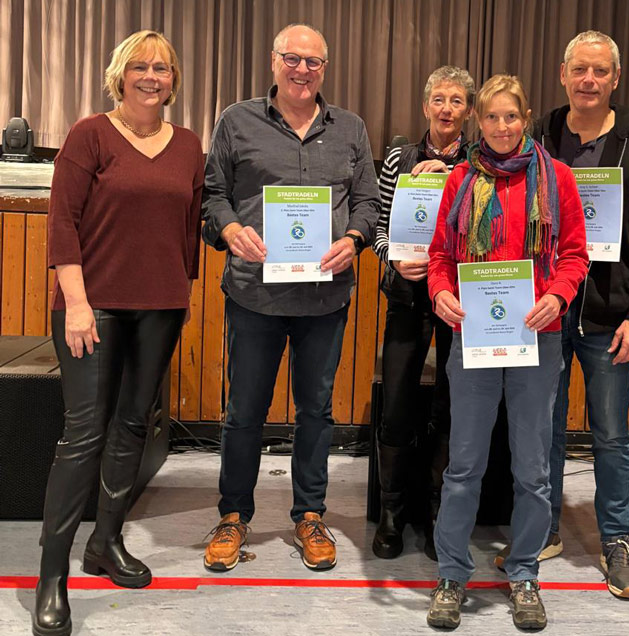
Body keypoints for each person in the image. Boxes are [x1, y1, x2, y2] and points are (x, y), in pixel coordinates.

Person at [35, 30, 203, 636]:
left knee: (134, 424)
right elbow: (62, 223)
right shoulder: (90, 134)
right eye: (140, 67)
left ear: (173, 79)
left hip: (161, 307)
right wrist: (76, 304)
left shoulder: (188, 146)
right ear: (120, 74)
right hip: (93, 307)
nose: (151, 76)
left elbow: (190, 227)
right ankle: (51, 578)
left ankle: (104, 543)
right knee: (83, 436)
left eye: (162, 67)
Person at [201, 23, 380, 573]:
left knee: (316, 412)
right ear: (273, 61)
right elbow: (212, 196)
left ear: (325, 68)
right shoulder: (237, 120)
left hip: (324, 301)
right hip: (254, 296)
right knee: (243, 412)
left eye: (314, 62)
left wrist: (353, 240)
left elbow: (369, 203)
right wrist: (229, 231)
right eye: (293, 59)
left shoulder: (350, 128)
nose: (303, 70)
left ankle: (309, 514)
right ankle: (233, 515)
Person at [499, 30, 629, 600]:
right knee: (540, 428)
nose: (589, 80)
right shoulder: (541, 135)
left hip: (609, 316)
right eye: (580, 70)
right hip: (544, 309)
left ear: (615, 79)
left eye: (600, 71)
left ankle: (616, 539)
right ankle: (542, 528)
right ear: (564, 75)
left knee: (612, 435)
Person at [425, 74, 588, 630]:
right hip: (473, 337)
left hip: (535, 338)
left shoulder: (557, 178)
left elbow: (574, 256)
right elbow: (441, 255)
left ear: (526, 118)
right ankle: (452, 573)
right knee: (464, 466)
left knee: (532, 470)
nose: (500, 127)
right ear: (479, 121)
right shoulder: (462, 181)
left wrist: (558, 295)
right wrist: (441, 291)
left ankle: (523, 574)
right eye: (491, 117)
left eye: (510, 117)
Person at [371, 66, 476, 561]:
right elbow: (376, 224)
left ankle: (437, 517)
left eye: (457, 101)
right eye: (438, 99)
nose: (446, 109)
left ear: (469, 111)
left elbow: (489, 230)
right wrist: (392, 254)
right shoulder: (399, 156)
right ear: (425, 106)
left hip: (459, 301)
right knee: (395, 405)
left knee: (450, 411)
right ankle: (392, 516)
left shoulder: (482, 162)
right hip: (409, 295)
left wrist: (454, 178)